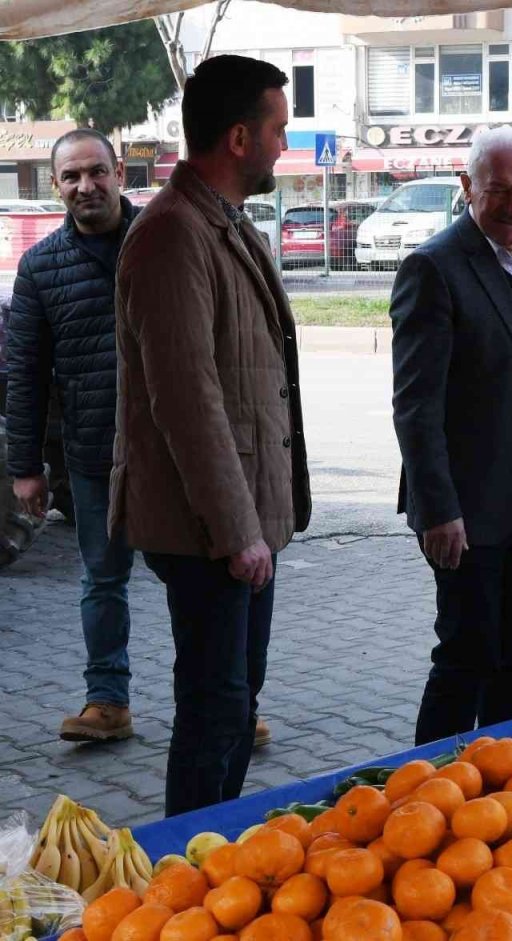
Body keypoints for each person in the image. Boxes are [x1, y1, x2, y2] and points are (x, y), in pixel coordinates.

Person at [111, 55, 310, 815]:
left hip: (240, 519)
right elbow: (186, 398)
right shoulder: (171, 233)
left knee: (235, 699)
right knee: (215, 706)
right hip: (208, 529)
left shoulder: (219, 220)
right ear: (238, 138)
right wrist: (237, 530)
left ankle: (215, 848)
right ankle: (187, 861)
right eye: (278, 129)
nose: (284, 144)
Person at [390, 127, 512, 744]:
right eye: (499, 191)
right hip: (465, 513)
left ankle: (500, 776)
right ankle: (427, 782)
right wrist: (438, 510)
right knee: (465, 656)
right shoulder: (433, 267)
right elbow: (416, 406)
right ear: (467, 187)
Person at [5, 128, 141, 742]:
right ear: (58, 186)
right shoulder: (41, 267)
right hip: (93, 454)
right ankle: (107, 702)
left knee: (200, 582)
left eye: (96, 171)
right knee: (102, 580)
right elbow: (26, 375)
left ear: (119, 173)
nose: (86, 185)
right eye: (71, 176)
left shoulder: (164, 241)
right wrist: (25, 467)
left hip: (177, 452)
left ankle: (226, 705)